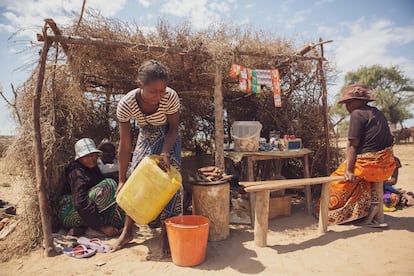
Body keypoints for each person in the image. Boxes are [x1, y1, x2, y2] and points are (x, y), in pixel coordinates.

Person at [112, 60, 182, 252]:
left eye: (162, 91)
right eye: (153, 91)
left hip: (168, 135)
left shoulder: (170, 97)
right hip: (146, 133)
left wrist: (166, 152)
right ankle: (127, 231)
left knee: (170, 181)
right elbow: (125, 145)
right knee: (137, 178)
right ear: (140, 85)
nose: (158, 96)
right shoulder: (126, 104)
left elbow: (174, 128)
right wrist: (121, 179)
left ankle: (167, 234)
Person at [326, 84, 396, 226]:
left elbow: (352, 144)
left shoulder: (357, 114)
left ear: (362, 101)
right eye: (347, 102)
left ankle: (331, 213)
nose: (347, 105)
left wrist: (349, 171)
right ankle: (365, 211)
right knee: (360, 181)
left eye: (350, 101)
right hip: (386, 165)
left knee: (333, 183)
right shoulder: (378, 112)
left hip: (370, 165)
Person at [58, 138, 125, 237]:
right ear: (80, 158)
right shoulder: (76, 171)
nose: (92, 158)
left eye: (93, 155)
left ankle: (84, 229)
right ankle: (93, 228)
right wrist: (102, 227)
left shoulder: (93, 168)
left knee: (119, 219)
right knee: (108, 185)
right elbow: (80, 202)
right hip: (68, 212)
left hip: (84, 210)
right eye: (87, 156)